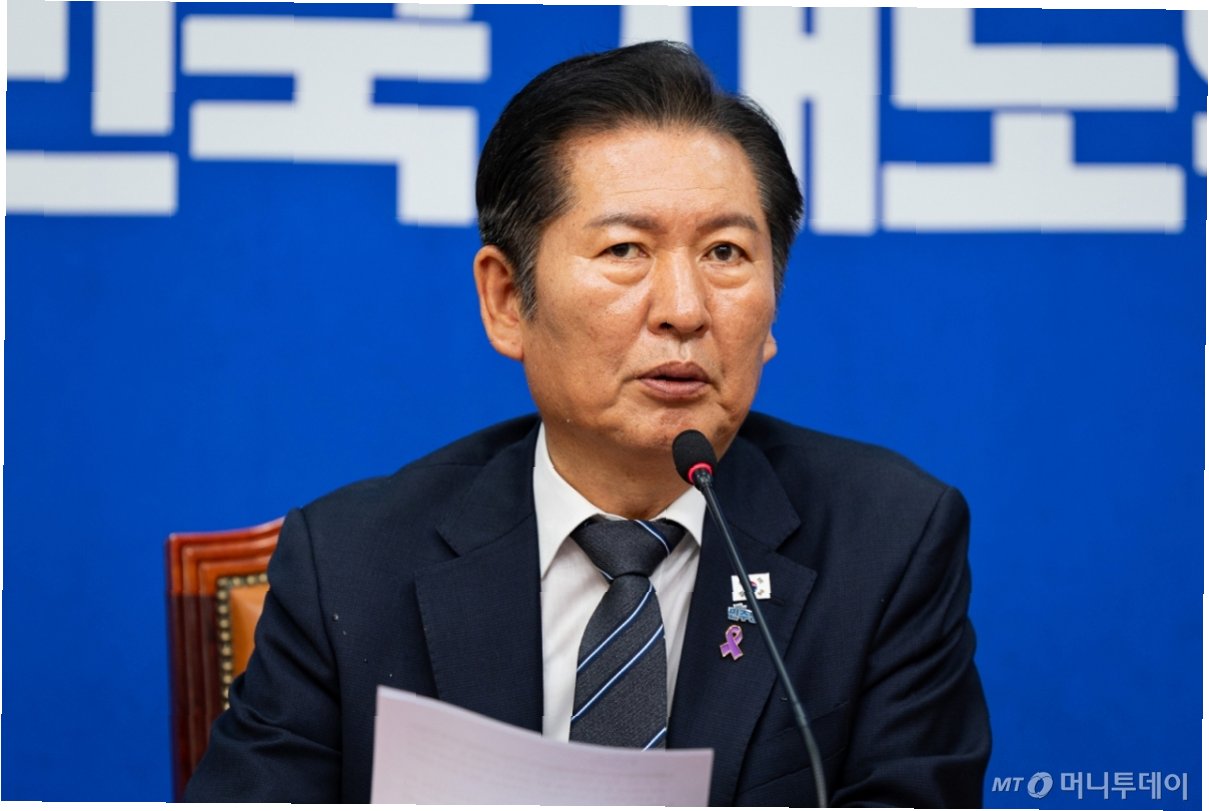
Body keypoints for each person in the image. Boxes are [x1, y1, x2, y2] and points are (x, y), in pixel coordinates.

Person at [185, 41, 990, 805]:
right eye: (625, 250)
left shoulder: (886, 543)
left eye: (724, 253)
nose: (684, 309)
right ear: (507, 300)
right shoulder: (352, 562)